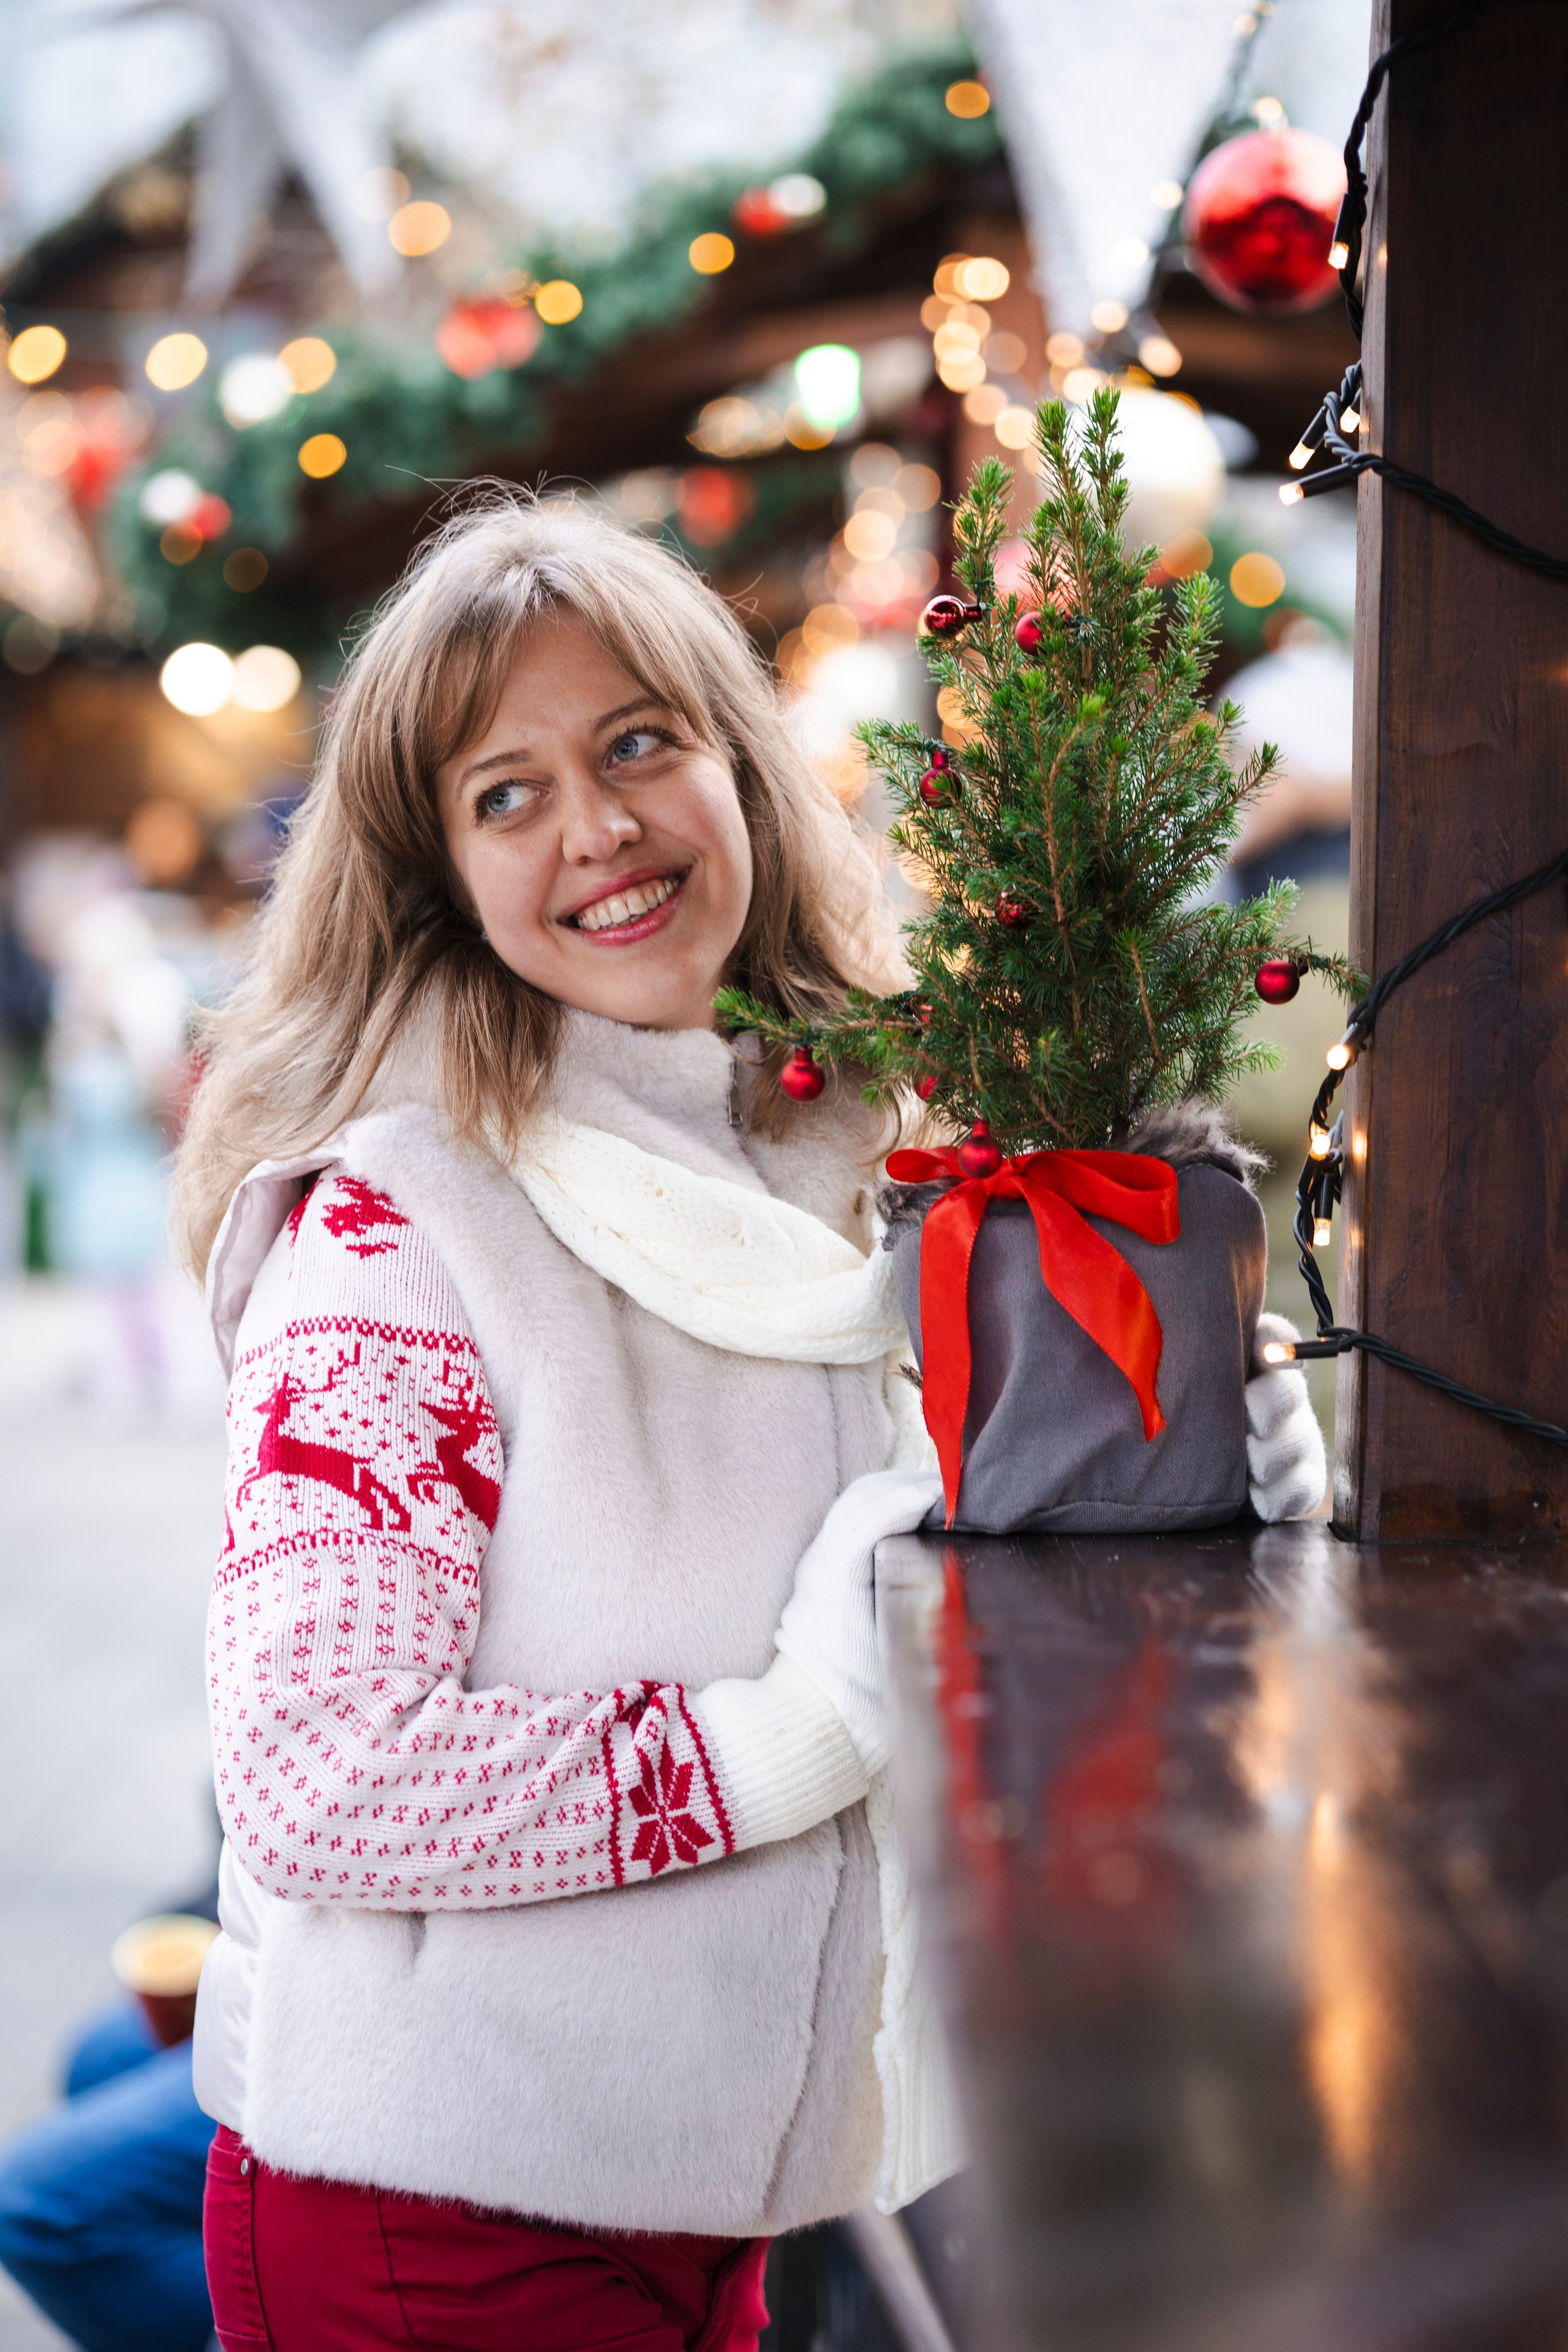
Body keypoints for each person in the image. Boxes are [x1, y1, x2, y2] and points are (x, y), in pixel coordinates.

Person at [173, 492, 1325, 2350]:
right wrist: (785, 1738)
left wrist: (1205, 1459)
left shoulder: (865, 1150)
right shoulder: (401, 1228)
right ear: (436, 872)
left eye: (639, 743)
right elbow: (323, 1778)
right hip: (439, 2219)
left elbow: (963, 1530)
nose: (602, 827)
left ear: (738, 765)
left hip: (729, 2205)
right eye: (508, 790)